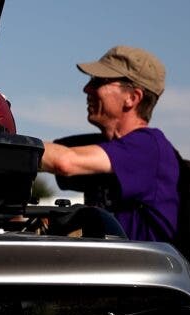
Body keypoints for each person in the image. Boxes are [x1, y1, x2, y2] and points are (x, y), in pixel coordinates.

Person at [39, 45, 179, 242]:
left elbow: (64, 161)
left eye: (98, 81)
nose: (86, 88)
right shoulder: (108, 147)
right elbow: (51, 154)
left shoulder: (148, 146)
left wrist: (0, 147)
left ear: (132, 97)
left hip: (142, 269)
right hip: (112, 267)